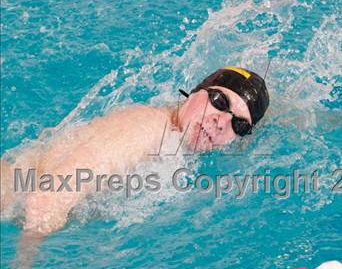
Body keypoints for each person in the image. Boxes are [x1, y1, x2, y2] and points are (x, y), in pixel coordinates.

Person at [1, 66, 269, 237]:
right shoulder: (146, 128)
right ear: (195, 92)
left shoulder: (175, 142)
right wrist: (25, 262)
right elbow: (45, 199)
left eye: (239, 125)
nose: (221, 122)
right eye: (219, 101)